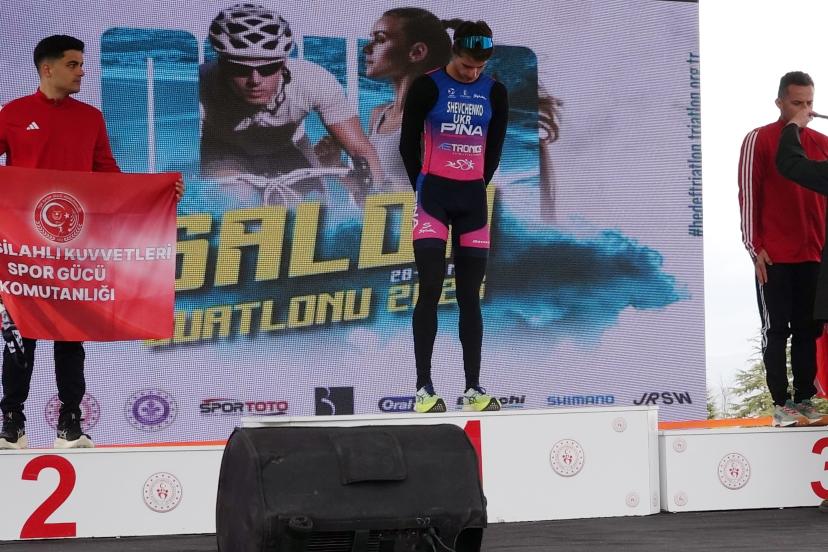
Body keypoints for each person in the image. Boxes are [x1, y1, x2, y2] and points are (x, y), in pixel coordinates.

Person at [0, 35, 184, 450]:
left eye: (82, 64)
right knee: (18, 336)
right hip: (24, 253)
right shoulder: (13, 114)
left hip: (75, 250)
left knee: (71, 336)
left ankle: (70, 424)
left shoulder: (90, 118)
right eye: (73, 64)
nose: (82, 72)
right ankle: (12, 424)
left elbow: (109, 176)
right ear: (47, 69)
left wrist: (157, 192)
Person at [399, 20, 508, 413]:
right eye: (466, 65)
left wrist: (473, 185)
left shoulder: (495, 92)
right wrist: (424, 185)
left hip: (472, 201)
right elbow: (406, 144)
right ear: (453, 53)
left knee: (469, 296)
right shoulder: (427, 86)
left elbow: (494, 150)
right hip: (433, 198)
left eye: (479, 67)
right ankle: (423, 388)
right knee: (430, 287)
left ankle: (473, 388)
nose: (472, 73)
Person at [200, 2, 383, 203]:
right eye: (240, 69)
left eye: (268, 68)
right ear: (222, 64)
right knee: (235, 197)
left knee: (317, 206)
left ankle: (327, 165)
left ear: (283, 63)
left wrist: (377, 203)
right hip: (225, 151)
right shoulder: (201, 85)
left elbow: (360, 150)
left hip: (288, 147)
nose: (255, 80)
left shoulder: (313, 81)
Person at [738, 71, 828, 427]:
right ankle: (780, 405)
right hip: (773, 254)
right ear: (780, 103)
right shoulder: (758, 138)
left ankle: (805, 401)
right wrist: (753, 246)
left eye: (810, 103)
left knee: (809, 330)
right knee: (776, 330)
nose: (806, 110)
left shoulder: (822, 142)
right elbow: (748, 193)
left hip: (815, 253)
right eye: (797, 103)